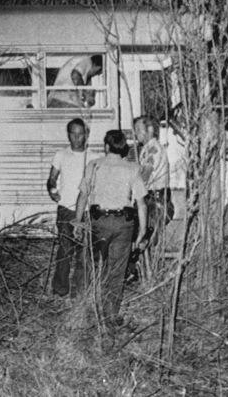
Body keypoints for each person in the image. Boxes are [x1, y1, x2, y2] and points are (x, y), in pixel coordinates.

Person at [74, 130, 148, 330]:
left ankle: (86, 310)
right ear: (123, 147)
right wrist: (141, 232)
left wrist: (78, 222)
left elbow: (82, 196)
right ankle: (110, 316)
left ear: (106, 146)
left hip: (98, 222)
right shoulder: (133, 168)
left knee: (93, 265)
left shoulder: (94, 165)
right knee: (116, 271)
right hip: (123, 224)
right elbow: (141, 204)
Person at [46, 118, 99, 297]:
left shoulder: (93, 157)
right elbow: (52, 178)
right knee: (65, 249)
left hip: (86, 211)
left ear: (86, 135)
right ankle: (60, 289)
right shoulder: (61, 155)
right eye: (73, 134)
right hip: (65, 209)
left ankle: (80, 291)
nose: (77, 138)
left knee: (84, 252)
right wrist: (52, 190)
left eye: (80, 134)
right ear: (68, 135)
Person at [125, 115, 173, 283]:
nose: (135, 134)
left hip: (156, 200)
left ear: (150, 130)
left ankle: (146, 277)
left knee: (143, 239)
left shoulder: (154, 149)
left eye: (138, 130)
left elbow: (145, 174)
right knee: (139, 238)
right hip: (149, 198)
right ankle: (142, 276)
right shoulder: (145, 148)